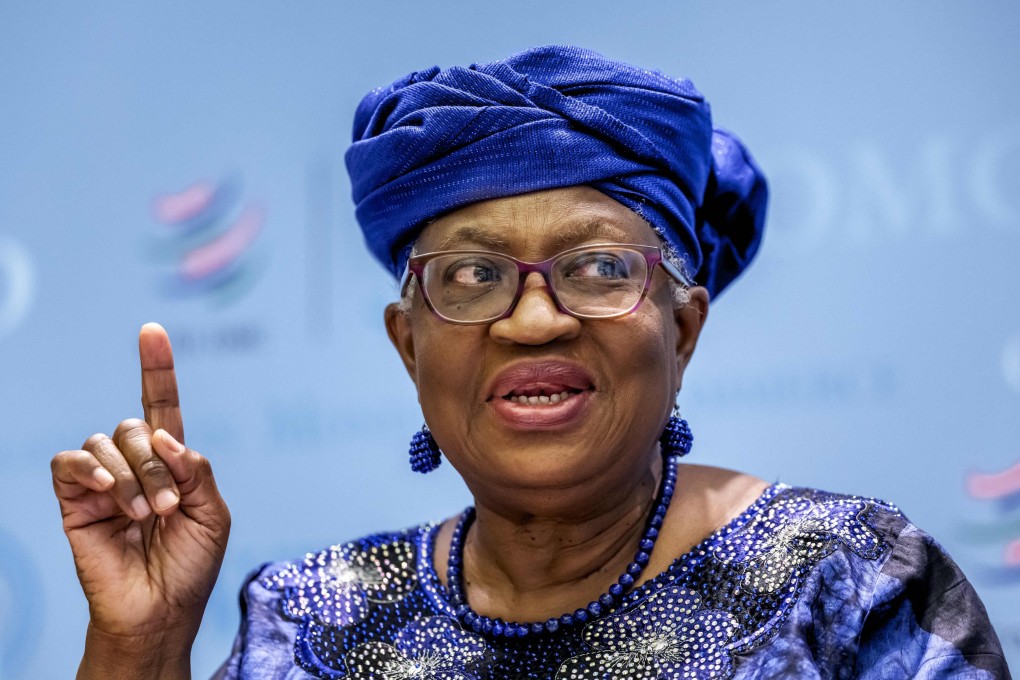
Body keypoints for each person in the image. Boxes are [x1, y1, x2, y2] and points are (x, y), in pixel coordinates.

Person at [51, 46, 1010, 679]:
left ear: (682, 331)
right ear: (408, 346)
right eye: (471, 275)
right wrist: (143, 643)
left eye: (597, 268)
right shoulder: (307, 621)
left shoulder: (847, 580)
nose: (534, 319)